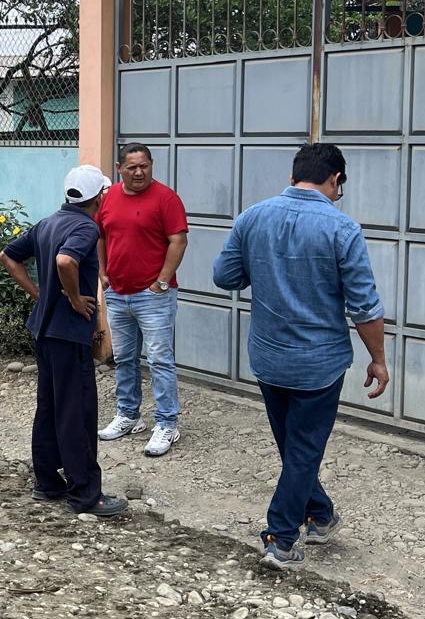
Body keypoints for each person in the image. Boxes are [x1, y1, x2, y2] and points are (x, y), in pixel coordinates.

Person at [211, 142, 388, 570]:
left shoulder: (252, 217)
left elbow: (224, 276)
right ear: (335, 180)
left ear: (293, 177)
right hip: (318, 364)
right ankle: (282, 537)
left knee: (295, 448)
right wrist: (378, 359)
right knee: (304, 450)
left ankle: (321, 516)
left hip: (268, 357)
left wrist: (266, 268)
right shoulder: (342, 229)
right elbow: (364, 306)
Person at [0, 164, 129, 517]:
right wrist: (72, 298)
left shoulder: (49, 222)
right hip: (69, 334)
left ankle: (47, 482)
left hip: (44, 331)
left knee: (50, 406)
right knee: (78, 412)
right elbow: (65, 260)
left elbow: (8, 256)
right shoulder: (86, 227)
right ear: (98, 197)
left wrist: (40, 295)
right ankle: (85, 494)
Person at [95, 142, 189, 457]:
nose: (139, 172)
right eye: (132, 167)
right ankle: (128, 415)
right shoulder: (109, 198)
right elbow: (101, 235)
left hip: (154, 297)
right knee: (124, 358)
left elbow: (178, 241)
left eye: (144, 166)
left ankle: (167, 423)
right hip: (118, 293)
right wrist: (103, 273)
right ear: (119, 168)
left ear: (151, 165)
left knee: (160, 360)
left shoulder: (166, 198)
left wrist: (161, 282)